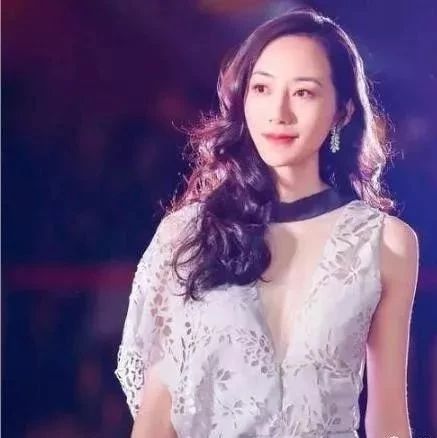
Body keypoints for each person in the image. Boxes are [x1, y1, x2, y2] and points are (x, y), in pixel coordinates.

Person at [115, 8, 419, 438]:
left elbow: (388, 421)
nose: (279, 112)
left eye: (304, 93)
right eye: (262, 88)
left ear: (342, 111)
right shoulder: (187, 235)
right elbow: (155, 417)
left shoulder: (385, 243)